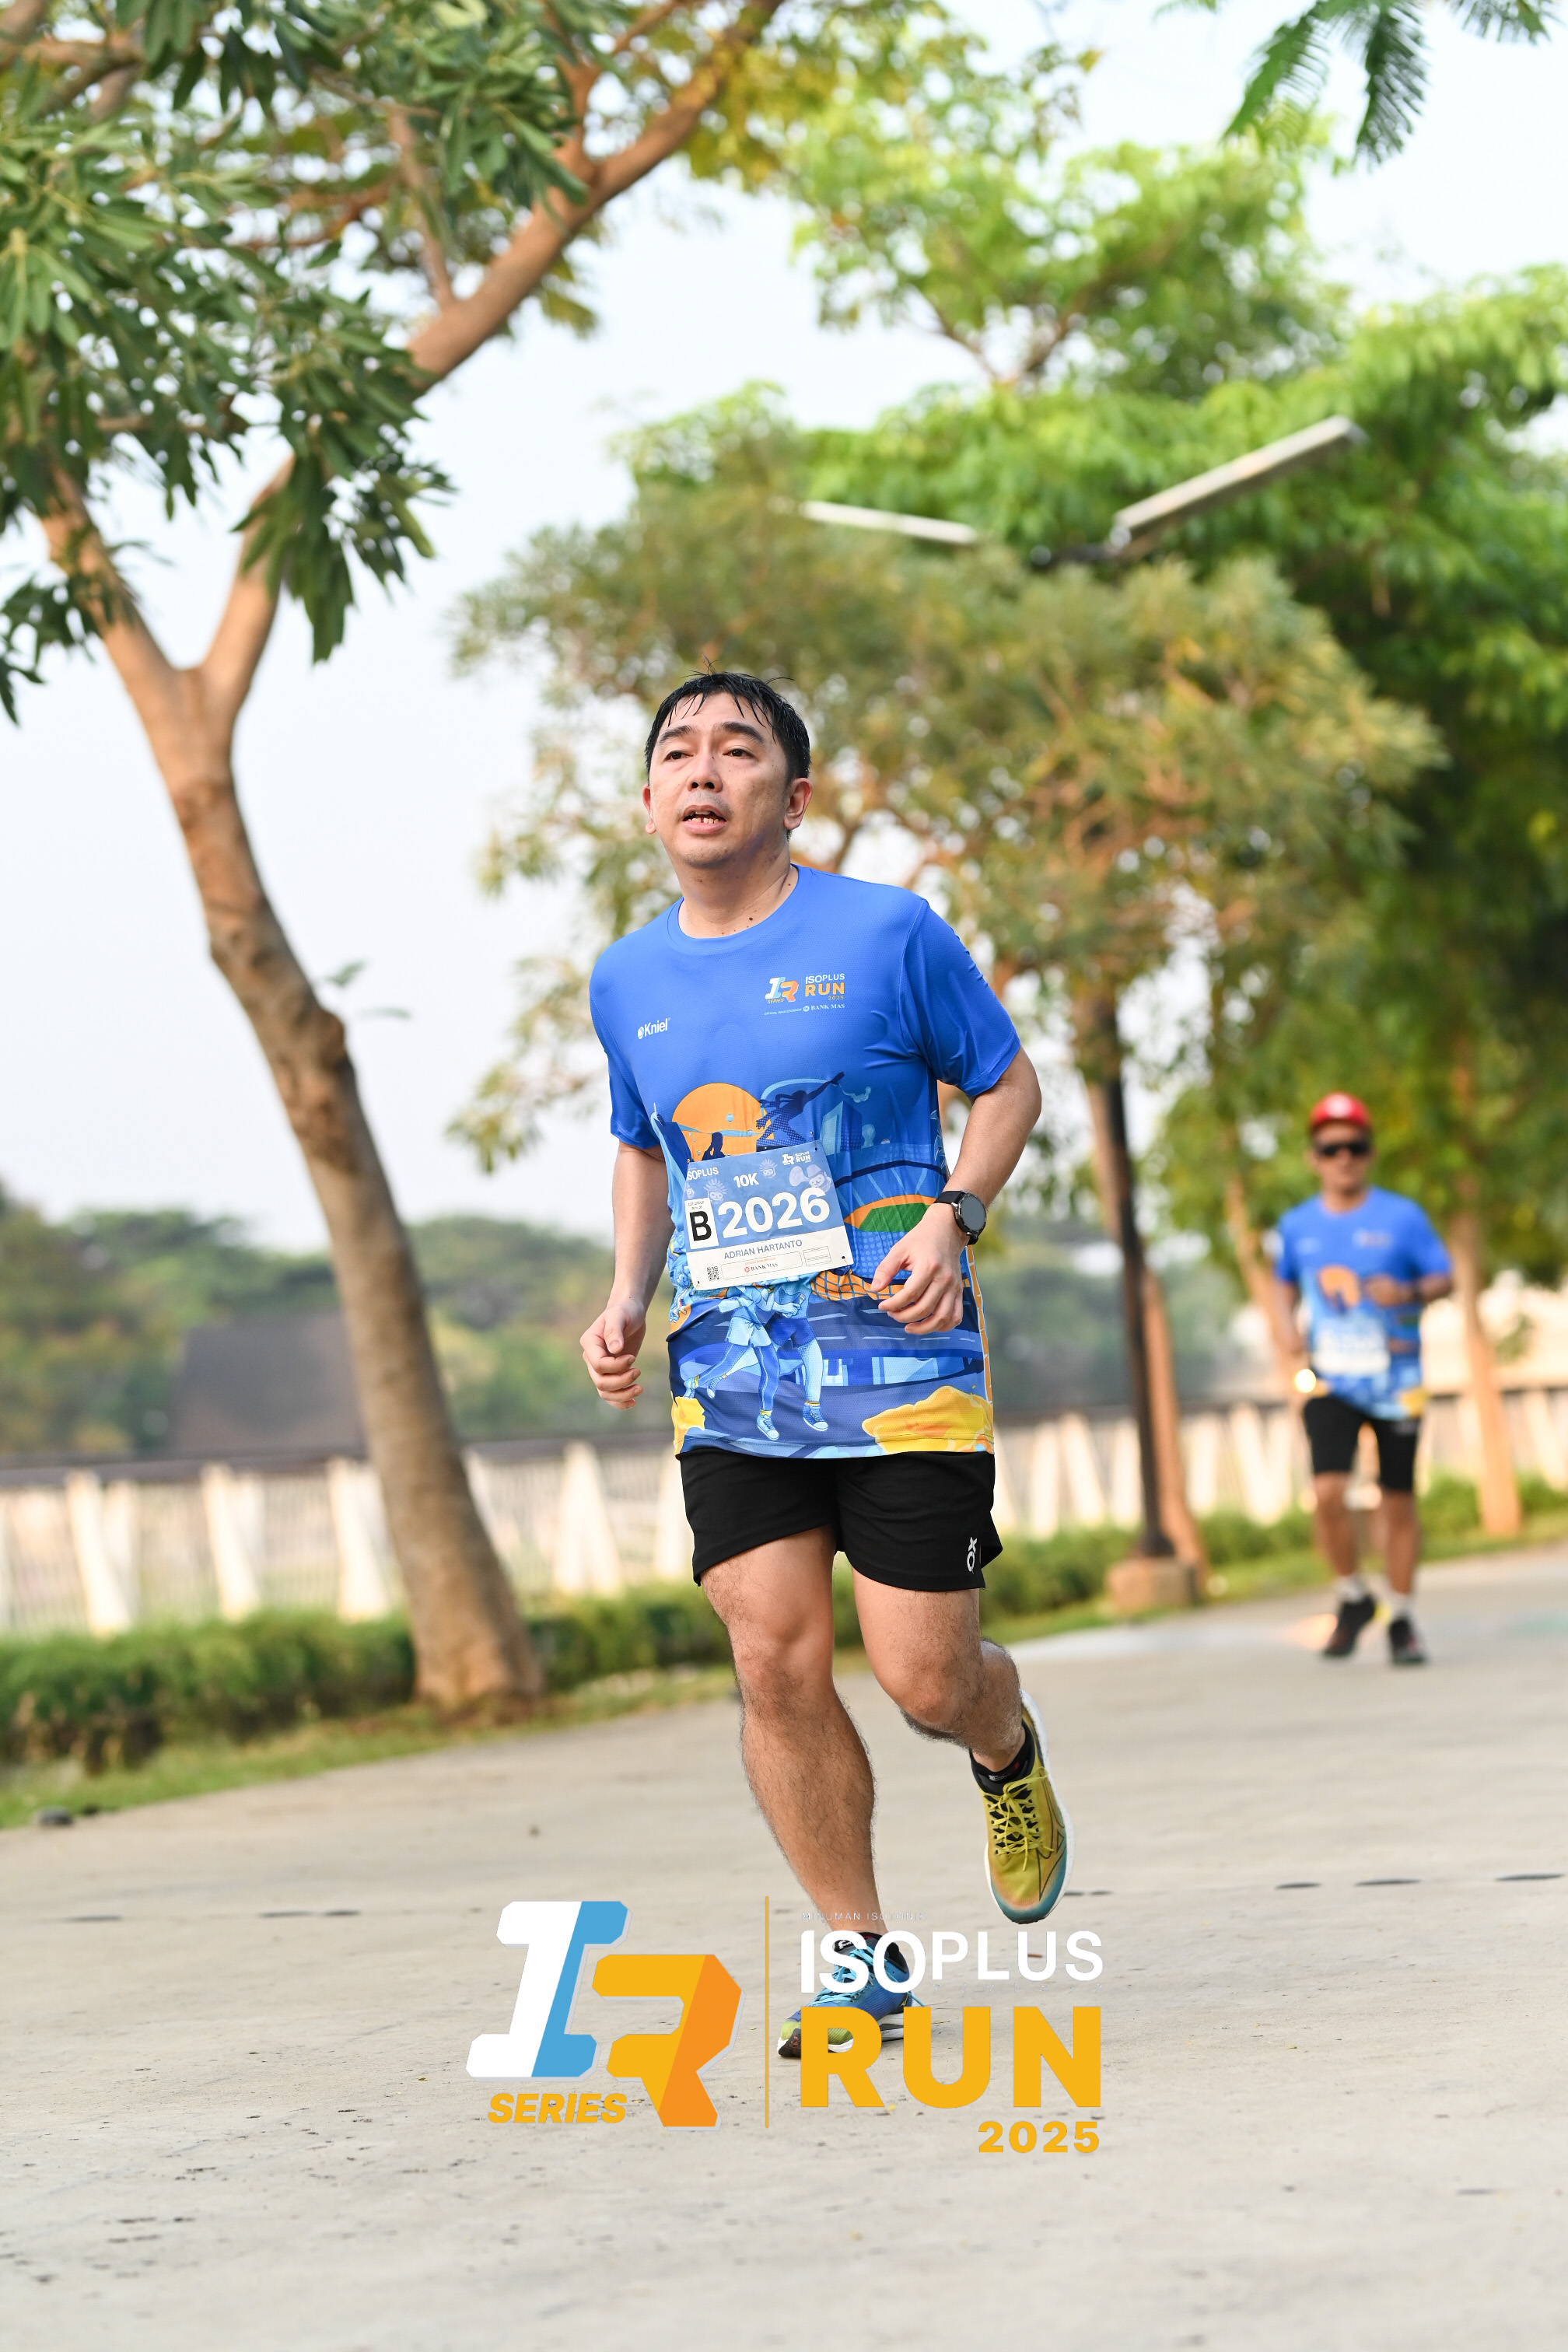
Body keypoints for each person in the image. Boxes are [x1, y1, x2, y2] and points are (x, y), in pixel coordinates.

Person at [580, 671, 1072, 2060]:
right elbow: (641, 1143)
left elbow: (1009, 1082)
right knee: (773, 1660)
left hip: (904, 1363)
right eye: (678, 752)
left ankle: (1004, 1739)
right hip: (733, 1375)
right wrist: (625, 1295)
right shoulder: (625, 979)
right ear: (648, 799)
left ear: (792, 796)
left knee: (925, 1676)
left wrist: (953, 1213)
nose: (703, 771)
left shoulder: (888, 932)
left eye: (737, 750)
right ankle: (860, 1955)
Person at [1272, 1093, 1453, 1665]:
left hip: (1397, 1382)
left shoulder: (1403, 1217)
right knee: (1328, 1493)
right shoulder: (1296, 1225)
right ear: (1314, 1157)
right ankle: (1353, 1596)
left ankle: (1401, 1616)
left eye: (1354, 1146)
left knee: (1396, 1501)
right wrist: (1285, 1325)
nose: (1343, 1157)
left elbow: (1443, 1278)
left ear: (1369, 1153)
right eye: (1331, 1148)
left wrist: (1409, 1291)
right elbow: (1283, 1283)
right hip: (1330, 1380)